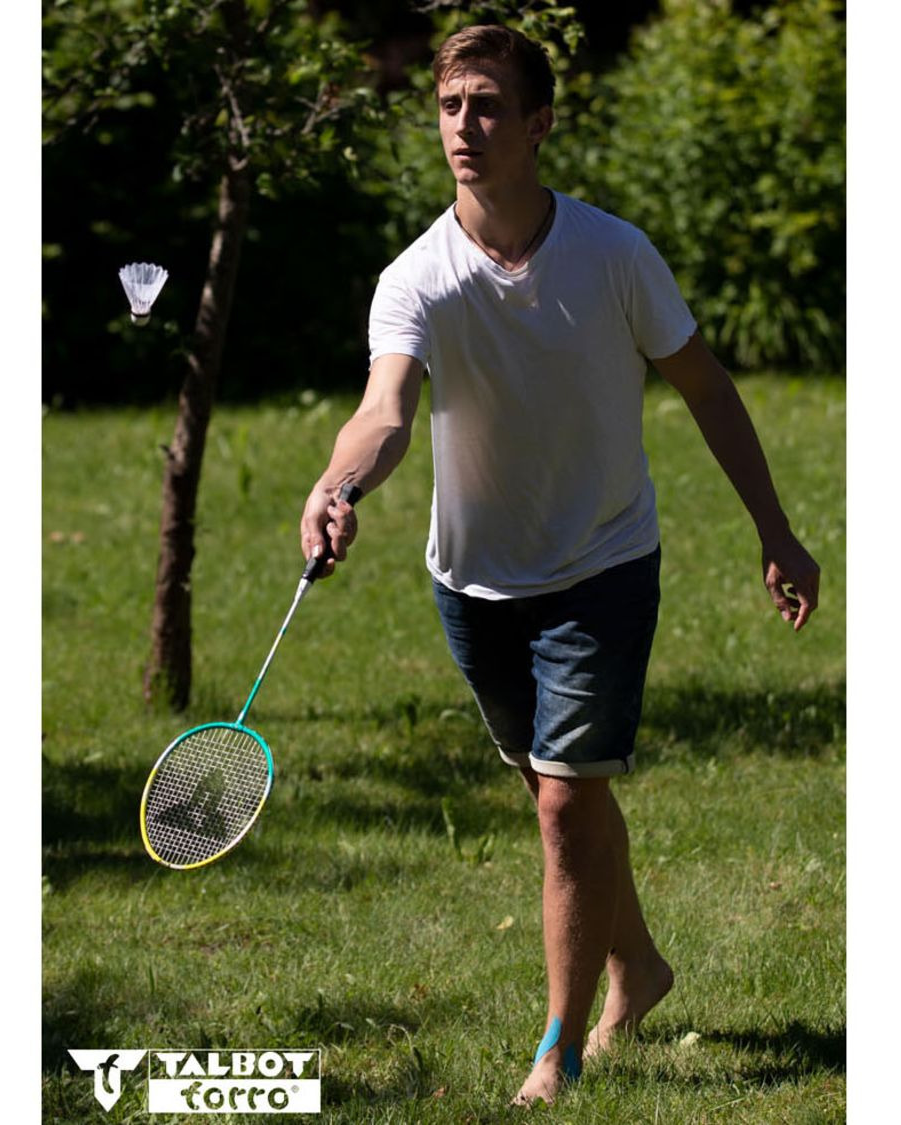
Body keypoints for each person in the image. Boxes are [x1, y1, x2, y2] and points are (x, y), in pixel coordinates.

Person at [299, 24, 820, 1107]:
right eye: (451, 105)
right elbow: (385, 410)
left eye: (488, 104)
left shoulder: (614, 255)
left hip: (602, 562)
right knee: (560, 794)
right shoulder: (416, 277)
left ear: (539, 123)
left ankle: (560, 1049)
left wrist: (775, 529)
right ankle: (641, 966)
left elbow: (707, 388)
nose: (465, 125)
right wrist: (338, 484)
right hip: (475, 582)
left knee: (561, 807)